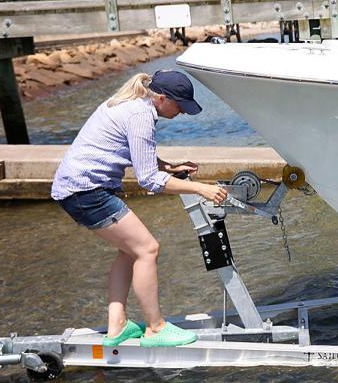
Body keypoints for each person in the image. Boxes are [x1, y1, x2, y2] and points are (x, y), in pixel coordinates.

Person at [51, 70, 228, 348]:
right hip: (87, 191)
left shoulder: (131, 103)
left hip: (75, 189)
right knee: (148, 249)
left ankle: (117, 326)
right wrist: (202, 189)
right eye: (179, 105)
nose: (182, 111)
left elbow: (136, 153)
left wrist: (168, 166)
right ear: (161, 97)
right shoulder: (141, 115)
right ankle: (155, 328)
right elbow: (148, 181)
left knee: (130, 250)